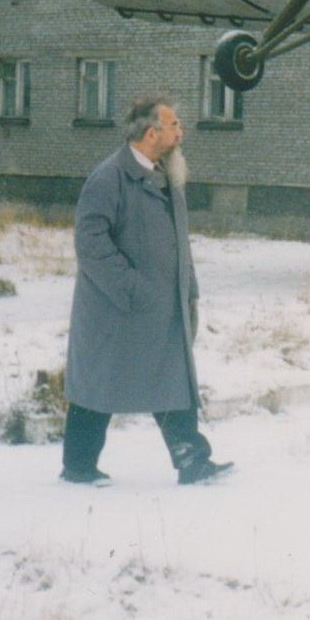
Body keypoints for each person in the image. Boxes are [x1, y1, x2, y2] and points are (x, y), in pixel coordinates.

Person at [60, 97, 231, 487]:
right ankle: (79, 466)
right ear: (152, 133)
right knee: (97, 386)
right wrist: (132, 289)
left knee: (172, 379)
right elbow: (90, 244)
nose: (180, 132)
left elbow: (178, 242)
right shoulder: (108, 178)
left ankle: (193, 460)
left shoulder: (167, 175)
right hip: (116, 310)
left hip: (163, 307)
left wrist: (190, 292)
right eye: (174, 125)